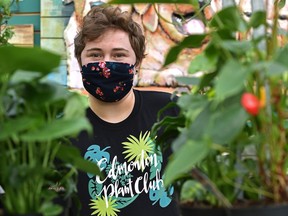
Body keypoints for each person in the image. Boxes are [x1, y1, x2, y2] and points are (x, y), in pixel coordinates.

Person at [71, 4, 180, 216]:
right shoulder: (64, 133)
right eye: (95, 55)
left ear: (137, 63)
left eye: (119, 55)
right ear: (80, 62)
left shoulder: (170, 112)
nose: (106, 65)